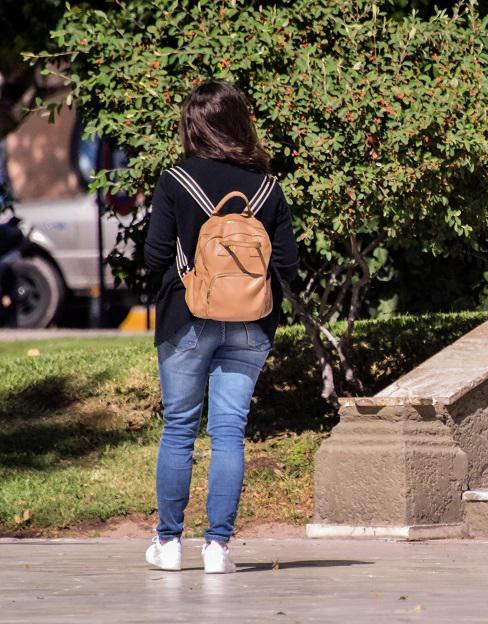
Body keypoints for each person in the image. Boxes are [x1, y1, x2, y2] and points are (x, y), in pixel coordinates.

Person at [143, 80, 299, 573]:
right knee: (230, 430)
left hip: (187, 319)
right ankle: (218, 548)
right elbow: (289, 266)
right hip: (251, 323)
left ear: (193, 126)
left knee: (180, 428)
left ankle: (169, 544)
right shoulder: (268, 188)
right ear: (239, 122)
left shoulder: (175, 181)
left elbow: (153, 255)